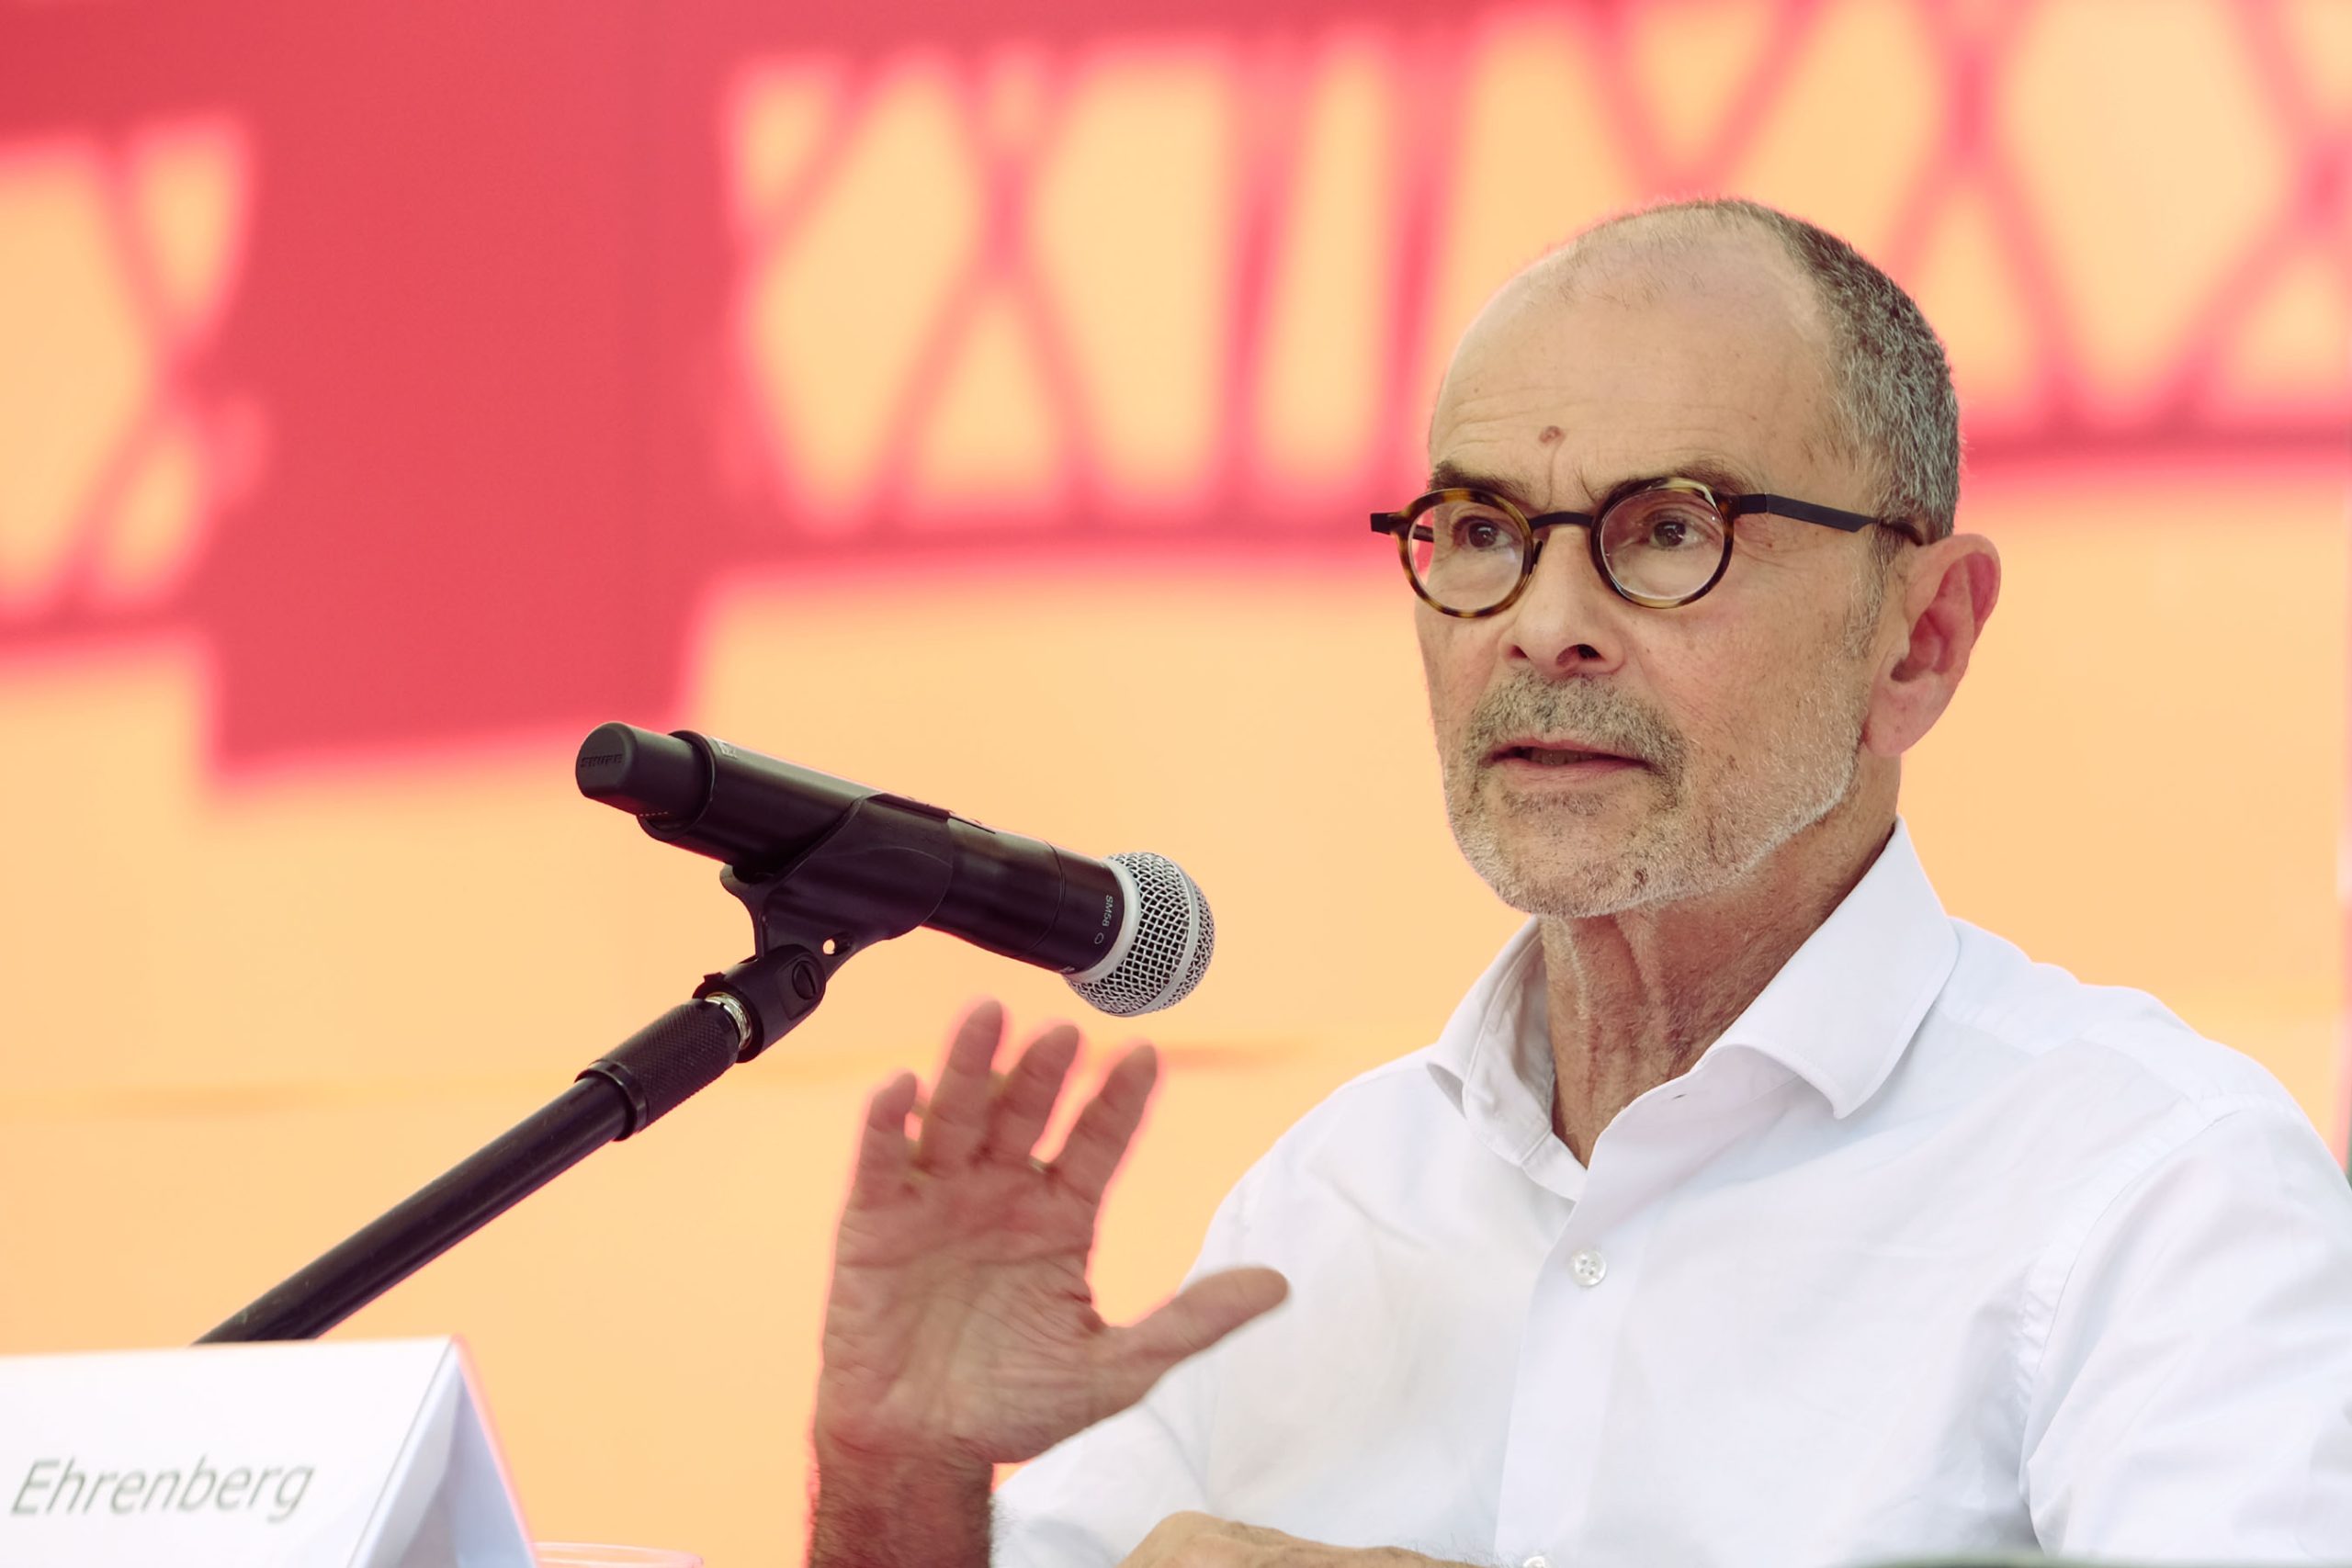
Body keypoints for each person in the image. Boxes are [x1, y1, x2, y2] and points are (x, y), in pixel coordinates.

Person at [800, 197, 2352, 1568]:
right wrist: (903, 1482)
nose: (1543, 626)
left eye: (1669, 530)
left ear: (1921, 640)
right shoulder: (1333, 1200)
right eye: (1481, 530)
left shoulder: (2151, 1185)